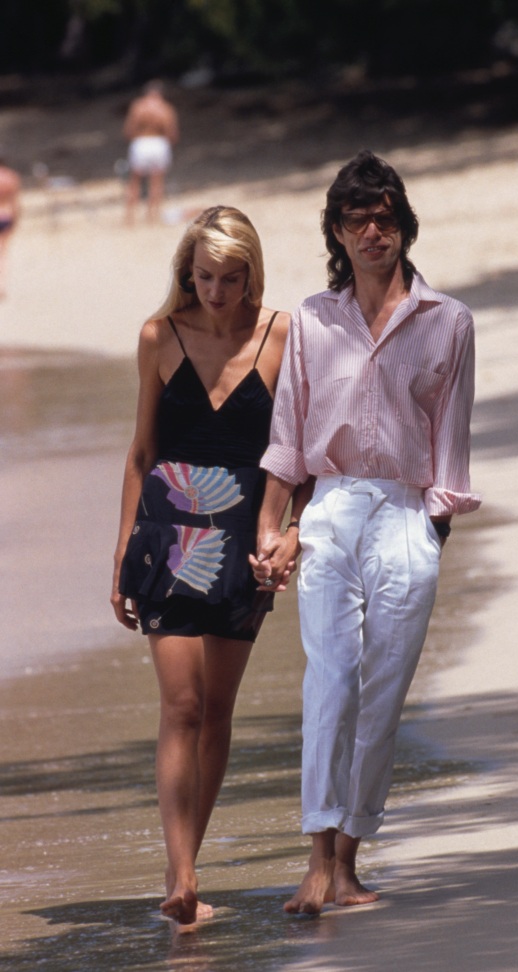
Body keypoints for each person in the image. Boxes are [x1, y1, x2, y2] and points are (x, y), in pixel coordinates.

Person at [252, 150, 481, 914]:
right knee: (331, 681)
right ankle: (316, 860)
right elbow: (287, 438)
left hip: (409, 514)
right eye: (358, 218)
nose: (374, 230)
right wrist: (270, 531)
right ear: (338, 232)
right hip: (332, 510)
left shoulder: (449, 323)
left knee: (383, 692)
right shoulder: (313, 318)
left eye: (386, 216)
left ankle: (348, 863)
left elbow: (452, 440)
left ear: (405, 226)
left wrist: (433, 530)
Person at [111, 206, 304, 926]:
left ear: (250, 273)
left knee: (217, 710)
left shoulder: (285, 335)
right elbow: (139, 453)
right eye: (203, 277)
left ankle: (186, 858)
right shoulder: (159, 336)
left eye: (229, 278)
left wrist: (292, 531)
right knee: (181, 704)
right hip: (165, 537)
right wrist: (121, 554)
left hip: (242, 539)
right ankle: (182, 874)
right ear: (185, 272)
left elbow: (302, 457)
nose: (216, 292)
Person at [122, 81, 179, 224]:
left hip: (141, 142)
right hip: (159, 143)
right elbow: (172, 132)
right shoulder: (165, 108)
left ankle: (130, 217)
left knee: (134, 181)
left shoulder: (139, 106)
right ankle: (152, 216)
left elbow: (129, 129)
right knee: (157, 181)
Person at [0, 159, 21, 298]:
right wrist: (16, 219)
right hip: (5, 215)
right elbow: (15, 203)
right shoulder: (11, 177)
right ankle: (1, 286)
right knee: (2, 252)